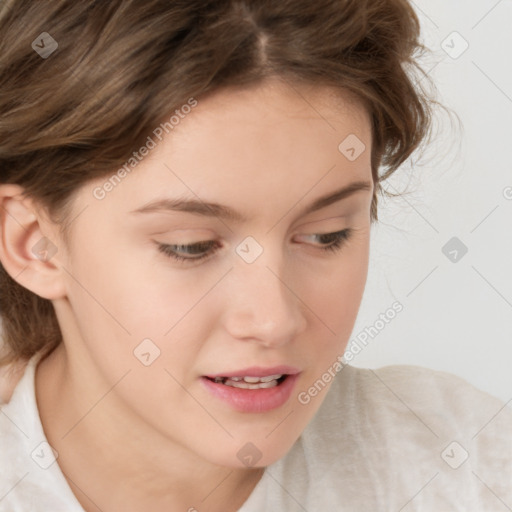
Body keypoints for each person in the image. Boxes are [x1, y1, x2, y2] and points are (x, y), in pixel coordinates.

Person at [0, 1, 510, 510]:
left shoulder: (469, 466)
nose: (275, 320)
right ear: (35, 244)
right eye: (190, 246)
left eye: (327, 235)